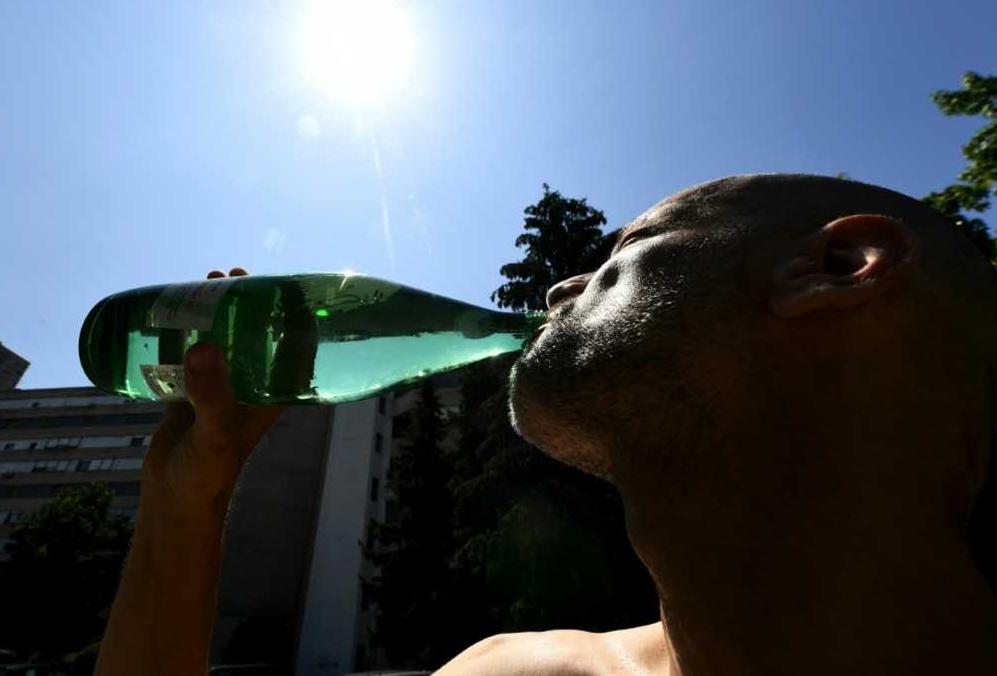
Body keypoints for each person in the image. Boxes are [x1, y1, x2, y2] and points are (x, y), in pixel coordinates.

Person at [94, 174, 997, 676]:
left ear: (840, 265)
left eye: (628, 249)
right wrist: (186, 507)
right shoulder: (519, 672)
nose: (563, 288)